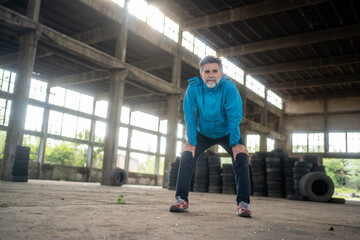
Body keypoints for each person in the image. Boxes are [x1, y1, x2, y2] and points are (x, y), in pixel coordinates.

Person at [169, 55, 252, 217]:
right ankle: (181, 199)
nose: (211, 74)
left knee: (241, 157)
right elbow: (189, 116)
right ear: (201, 75)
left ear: (221, 74)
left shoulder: (229, 87)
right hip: (203, 132)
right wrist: (191, 141)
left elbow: (234, 115)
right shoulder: (193, 88)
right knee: (186, 154)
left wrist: (235, 142)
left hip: (226, 131)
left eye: (215, 71)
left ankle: (243, 203)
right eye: (207, 72)